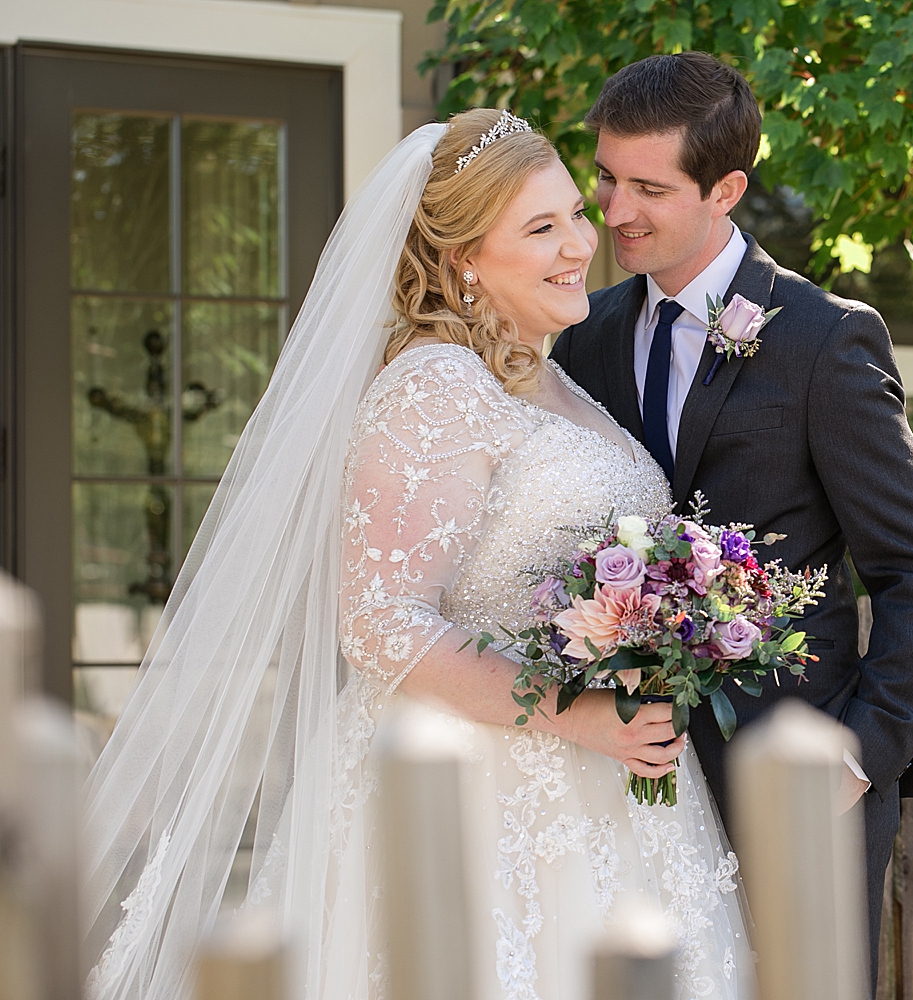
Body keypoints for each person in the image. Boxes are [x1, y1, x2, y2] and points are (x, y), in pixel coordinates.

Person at [81, 109, 751, 1000]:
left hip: (611, 788)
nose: (579, 245)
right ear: (465, 258)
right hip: (472, 796)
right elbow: (381, 623)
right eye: (540, 228)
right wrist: (577, 715)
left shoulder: (551, 376)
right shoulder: (433, 385)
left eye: (574, 216)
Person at [551, 52, 913, 987]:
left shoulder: (826, 337)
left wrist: (858, 758)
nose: (613, 212)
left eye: (649, 187)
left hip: (797, 776)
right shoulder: (586, 333)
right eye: (605, 177)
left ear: (726, 187)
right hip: (626, 778)